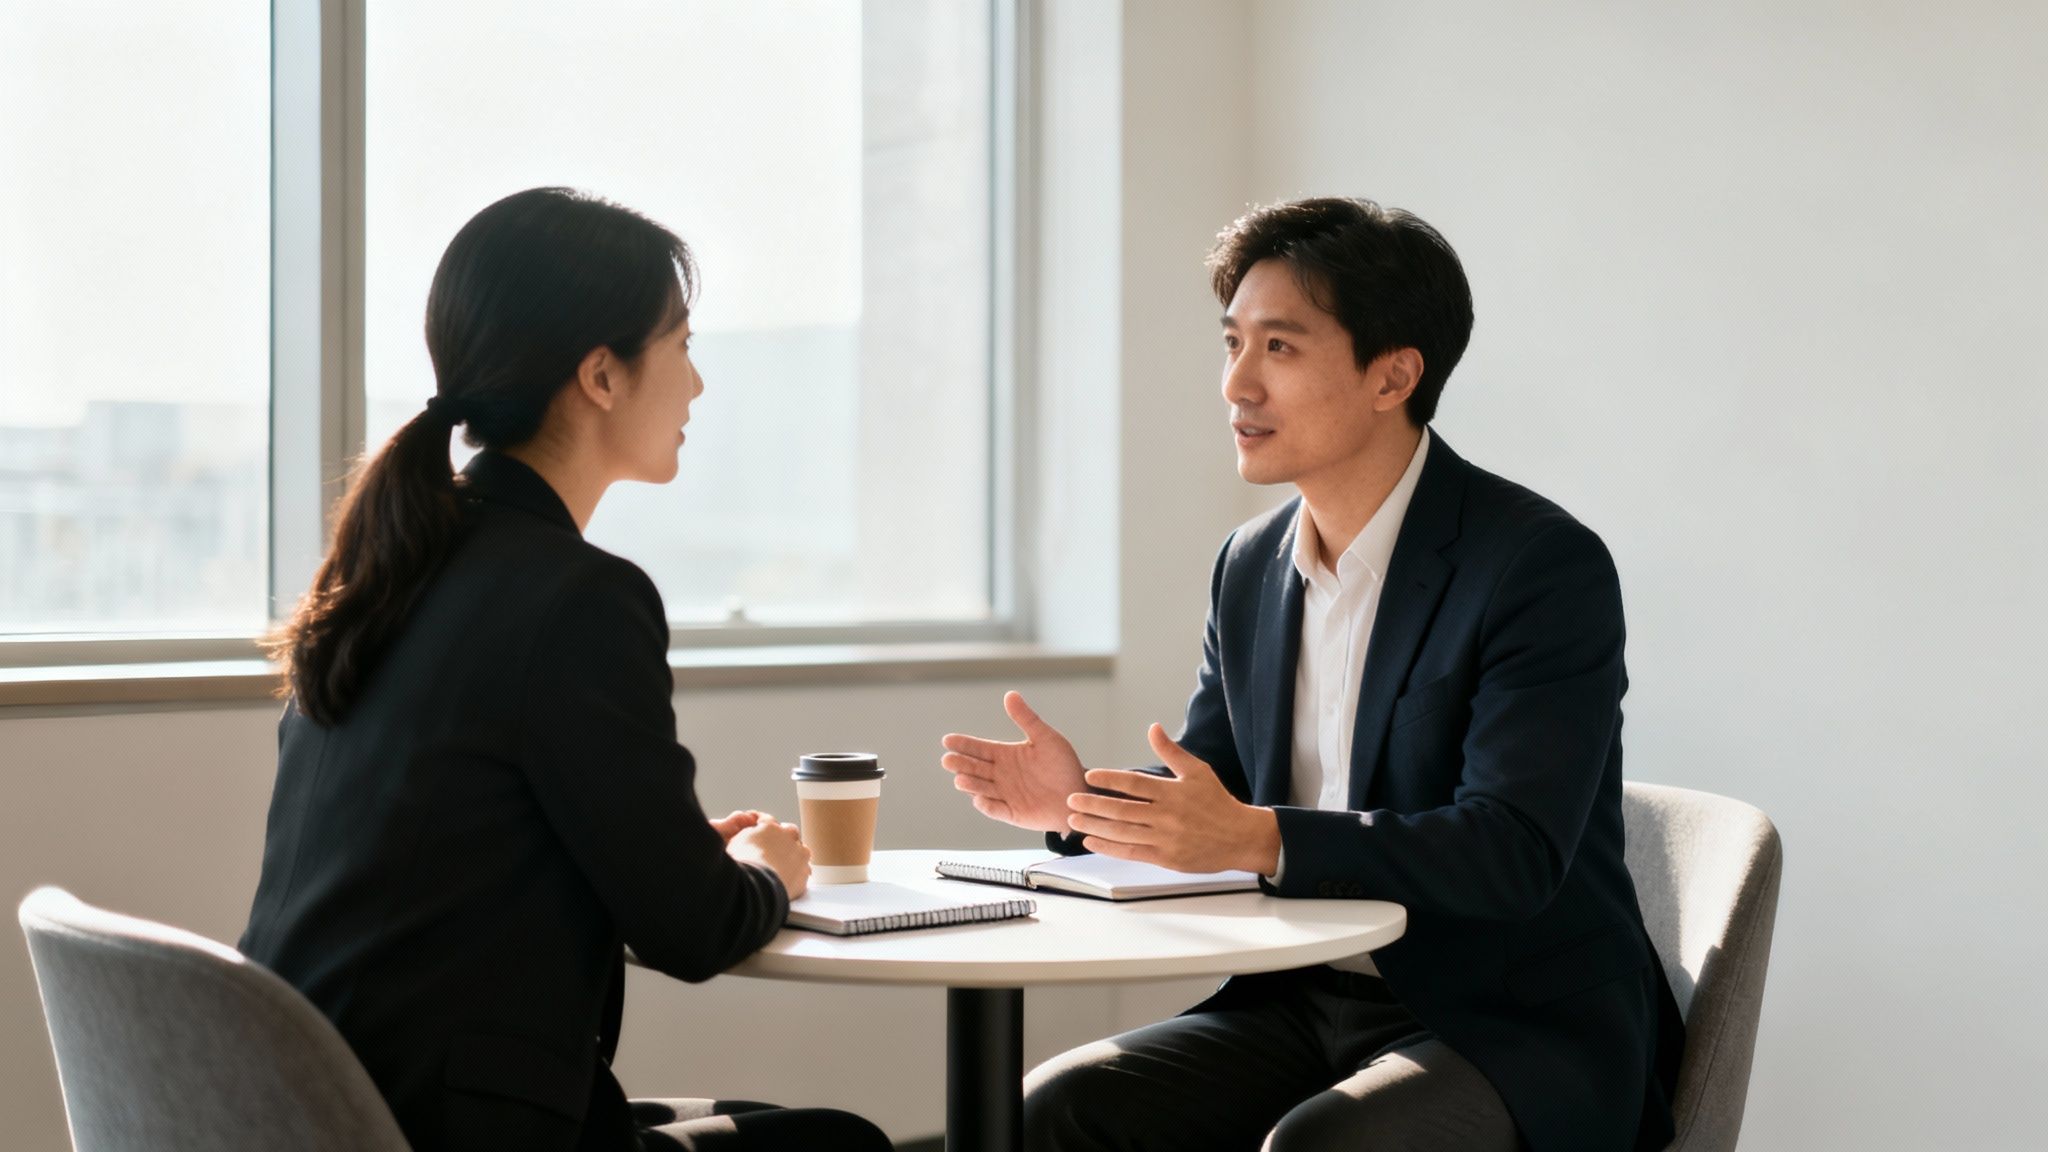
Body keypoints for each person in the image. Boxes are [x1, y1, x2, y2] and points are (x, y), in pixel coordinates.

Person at [941, 197, 1682, 1152]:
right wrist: (1081, 804)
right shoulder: (1249, 566)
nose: (1237, 385)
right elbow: (1218, 792)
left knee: (1322, 1148)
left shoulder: (1537, 565)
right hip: (1297, 1000)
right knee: (1051, 1110)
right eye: (1232, 344)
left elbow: (1512, 850)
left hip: (1502, 1022)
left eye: (1279, 349)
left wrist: (1257, 837)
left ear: (1393, 375)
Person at [242, 187, 893, 1152]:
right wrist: (764, 870)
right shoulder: (577, 597)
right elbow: (696, 933)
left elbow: (459, 857)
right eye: (681, 345)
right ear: (601, 374)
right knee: (838, 1145)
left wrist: (672, 858)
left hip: (313, 1106)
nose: (698, 385)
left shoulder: (396, 565)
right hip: (451, 1123)